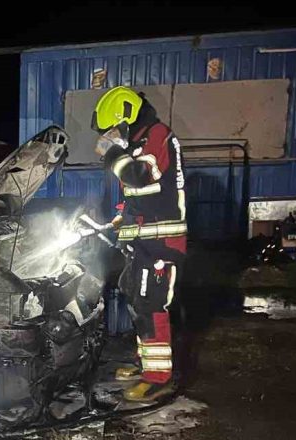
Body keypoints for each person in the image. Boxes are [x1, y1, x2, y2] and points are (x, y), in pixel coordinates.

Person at [93, 86, 186, 402]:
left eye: (113, 128)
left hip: (161, 245)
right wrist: (122, 218)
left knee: (150, 305)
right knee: (134, 295)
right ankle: (145, 362)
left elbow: (139, 177)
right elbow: (140, 197)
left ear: (127, 118)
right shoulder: (139, 142)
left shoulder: (158, 136)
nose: (112, 135)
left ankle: (157, 377)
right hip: (143, 243)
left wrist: (112, 154)